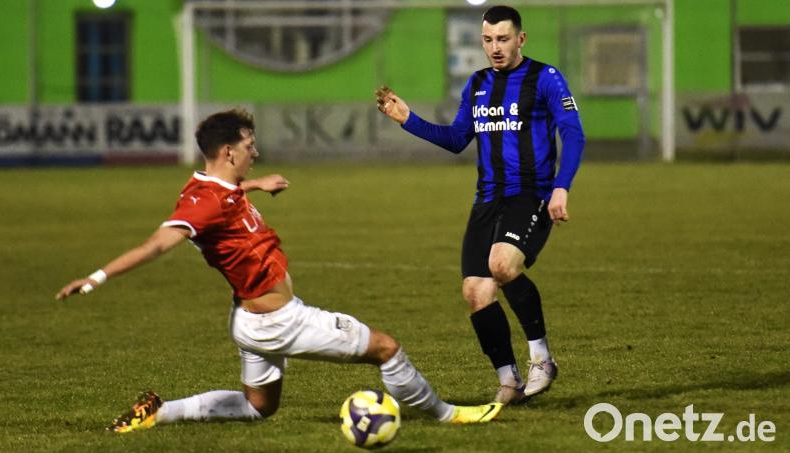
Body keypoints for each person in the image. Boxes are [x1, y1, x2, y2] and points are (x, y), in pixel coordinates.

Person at [55, 109, 502, 433]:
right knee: (386, 348)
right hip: (279, 321)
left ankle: (161, 411)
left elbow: (225, 195)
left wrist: (255, 184)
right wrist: (96, 278)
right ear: (229, 151)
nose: (257, 153)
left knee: (258, 409)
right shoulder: (205, 201)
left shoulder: (216, 186)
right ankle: (449, 414)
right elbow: (156, 245)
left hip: (250, 321)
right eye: (250, 148)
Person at [375, 5, 585, 405]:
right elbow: (457, 139)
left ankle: (542, 358)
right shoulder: (477, 84)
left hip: (531, 193)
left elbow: (573, 134)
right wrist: (408, 119)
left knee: (502, 265)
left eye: (503, 39)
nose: (495, 48)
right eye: (488, 40)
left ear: (521, 39)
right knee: (475, 292)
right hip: (487, 200)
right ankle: (509, 380)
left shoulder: (546, 78)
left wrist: (561, 187)